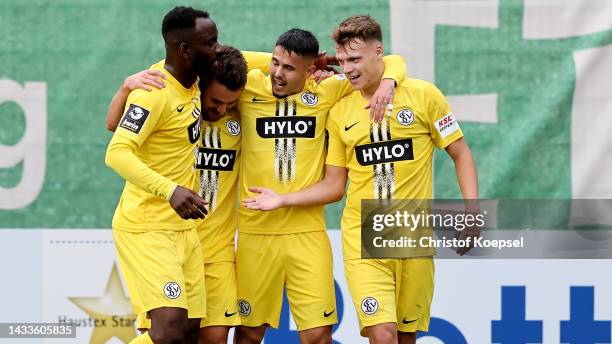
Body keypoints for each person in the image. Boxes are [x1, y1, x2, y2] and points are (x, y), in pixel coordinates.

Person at [243, 15, 479, 344]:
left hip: (412, 232)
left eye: (355, 59)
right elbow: (335, 184)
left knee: (405, 336)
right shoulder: (340, 110)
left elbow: (461, 153)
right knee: (383, 335)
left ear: (378, 52)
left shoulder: (425, 96)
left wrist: (472, 210)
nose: (348, 69)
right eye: (342, 61)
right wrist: (281, 198)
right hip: (362, 233)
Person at [234, 28, 407, 344]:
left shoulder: (328, 91)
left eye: (289, 68)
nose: (277, 73)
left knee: (317, 335)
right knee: (248, 332)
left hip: (308, 236)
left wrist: (387, 83)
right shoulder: (250, 86)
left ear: (309, 70)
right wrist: (289, 60)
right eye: (275, 63)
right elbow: (218, 56)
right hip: (255, 234)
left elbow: (392, 61)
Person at [104, 6, 219, 344]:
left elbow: (241, 57)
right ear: (185, 50)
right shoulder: (153, 92)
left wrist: (306, 62)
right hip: (147, 227)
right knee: (167, 330)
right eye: (210, 43)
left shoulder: (195, 76)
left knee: (190, 331)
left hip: (183, 229)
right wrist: (170, 190)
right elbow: (117, 151)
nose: (218, 49)